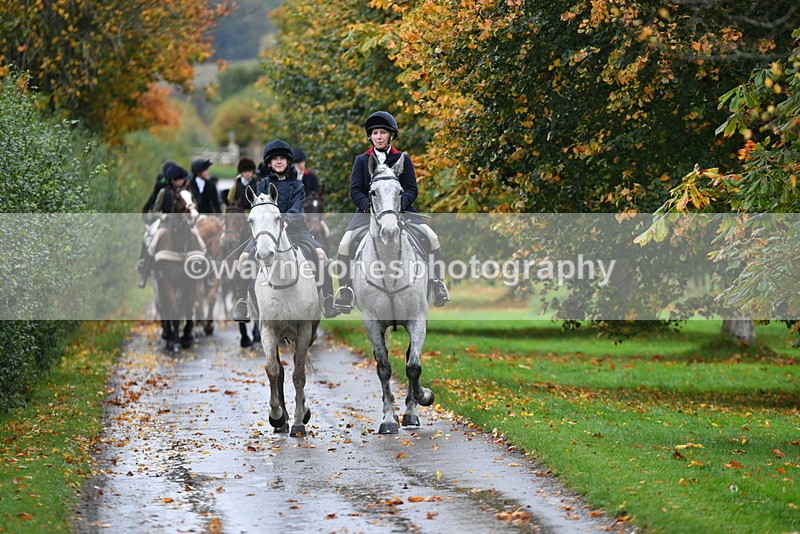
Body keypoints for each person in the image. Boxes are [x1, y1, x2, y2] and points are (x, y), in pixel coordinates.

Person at [333, 111, 450, 313]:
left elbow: (412, 188)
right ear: (370, 137)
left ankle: (437, 283)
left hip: (401, 212)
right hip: (367, 213)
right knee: (345, 243)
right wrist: (368, 206)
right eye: (375, 133)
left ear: (391, 136)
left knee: (431, 237)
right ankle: (346, 290)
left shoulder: (402, 159)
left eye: (383, 133)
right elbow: (355, 190)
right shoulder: (362, 160)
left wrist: (398, 206)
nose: (378, 137)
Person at [231, 140, 339, 321]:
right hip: (266, 232)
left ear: (288, 161)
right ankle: (241, 301)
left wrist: (285, 221)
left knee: (321, 255)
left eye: (282, 158)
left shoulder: (298, 185)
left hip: (296, 231)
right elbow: (259, 209)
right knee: (243, 258)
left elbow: (297, 208)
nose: (279, 161)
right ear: (269, 163)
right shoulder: (263, 184)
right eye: (275, 159)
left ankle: (328, 299)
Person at [137, 164, 206, 288]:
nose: (183, 181)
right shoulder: (164, 192)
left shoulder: (187, 192)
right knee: (153, 244)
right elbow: (155, 209)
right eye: (180, 179)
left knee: (201, 244)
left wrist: (193, 212)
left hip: (186, 225)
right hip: (166, 224)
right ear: (174, 181)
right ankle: (145, 274)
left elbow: (194, 205)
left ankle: (205, 276)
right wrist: (162, 216)